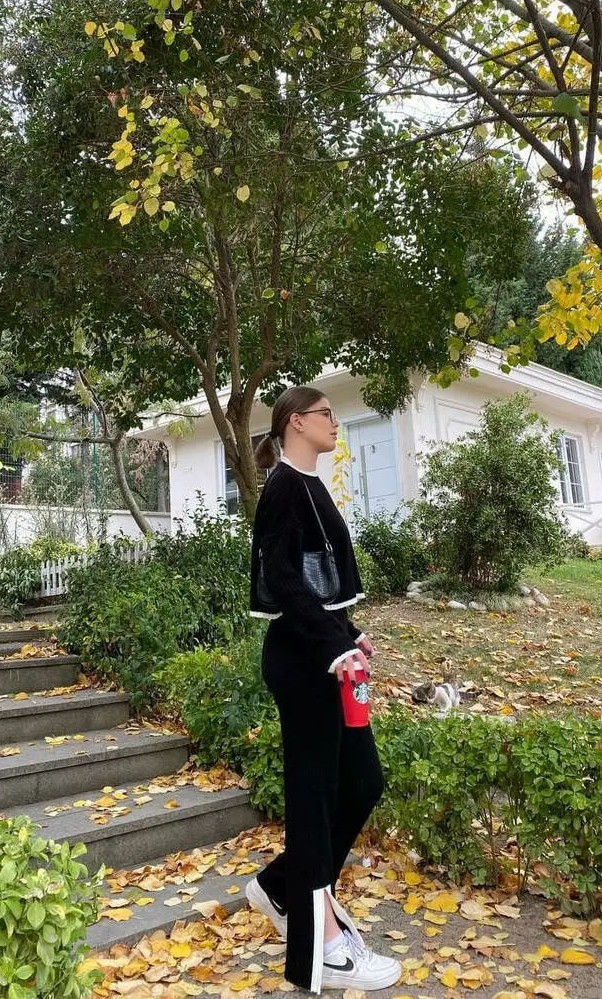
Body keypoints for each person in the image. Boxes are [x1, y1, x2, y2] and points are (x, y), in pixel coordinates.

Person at [244, 386, 402, 994]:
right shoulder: (283, 487)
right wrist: (331, 645)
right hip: (302, 660)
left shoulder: (311, 485)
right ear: (295, 423)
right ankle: (323, 950)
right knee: (313, 801)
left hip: (327, 656)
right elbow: (283, 578)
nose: (335, 423)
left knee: (362, 782)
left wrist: (349, 634)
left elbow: (319, 583)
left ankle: (282, 888)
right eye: (326, 414)